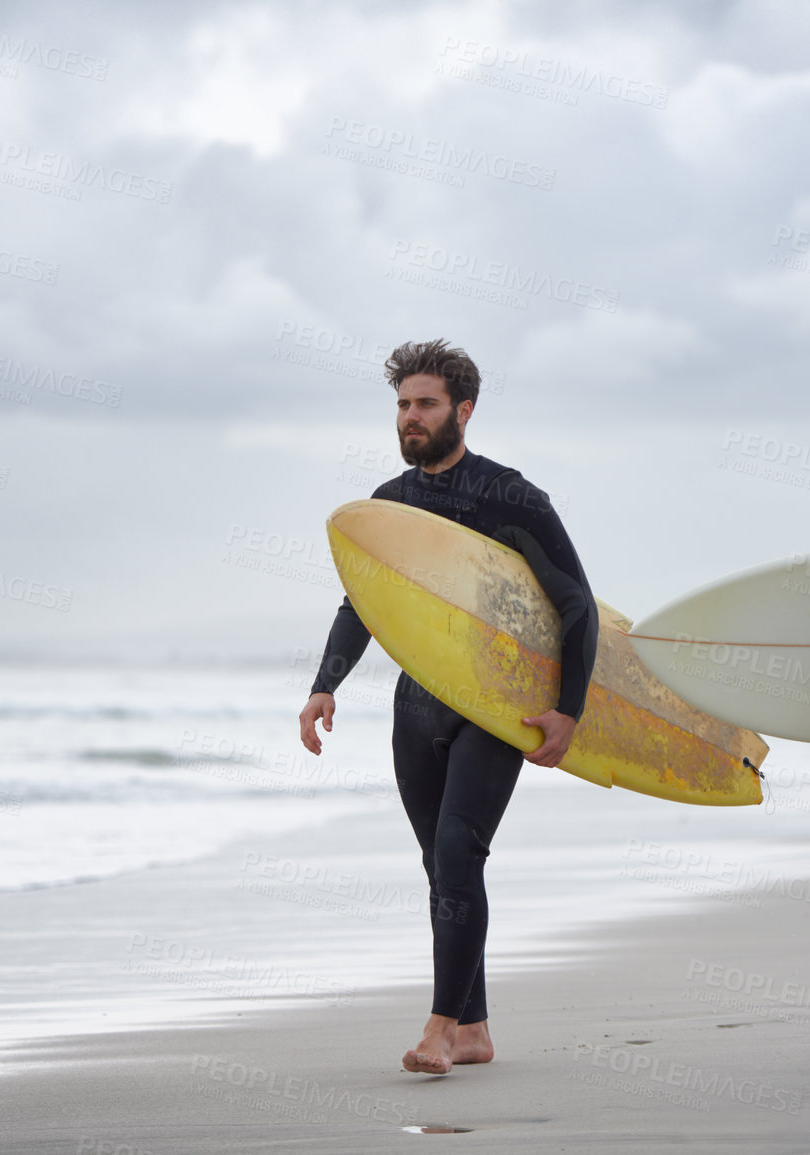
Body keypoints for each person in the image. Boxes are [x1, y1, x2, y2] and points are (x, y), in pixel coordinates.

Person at [297, 339, 598, 1075]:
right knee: (441, 867)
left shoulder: (512, 496)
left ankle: (437, 1026)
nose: (411, 417)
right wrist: (324, 683)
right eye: (402, 404)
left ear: (463, 409)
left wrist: (567, 709)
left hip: (497, 705)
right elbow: (362, 603)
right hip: (417, 708)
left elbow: (574, 604)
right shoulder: (391, 504)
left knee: (461, 851)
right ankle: (474, 1030)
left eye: (425, 403)